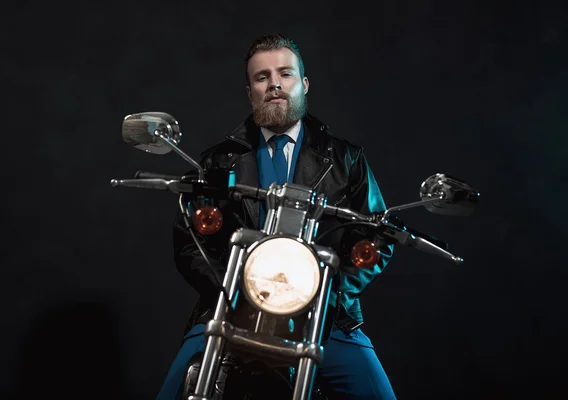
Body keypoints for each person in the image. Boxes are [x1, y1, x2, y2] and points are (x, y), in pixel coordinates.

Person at [157, 33, 396, 399]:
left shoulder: (347, 159)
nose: (274, 85)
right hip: (231, 310)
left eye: (285, 74)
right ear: (250, 91)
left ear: (304, 83)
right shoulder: (217, 162)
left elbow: (377, 238)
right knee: (176, 387)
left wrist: (325, 295)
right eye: (262, 77)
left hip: (325, 317)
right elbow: (191, 243)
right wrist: (233, 291)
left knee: (377, 394)